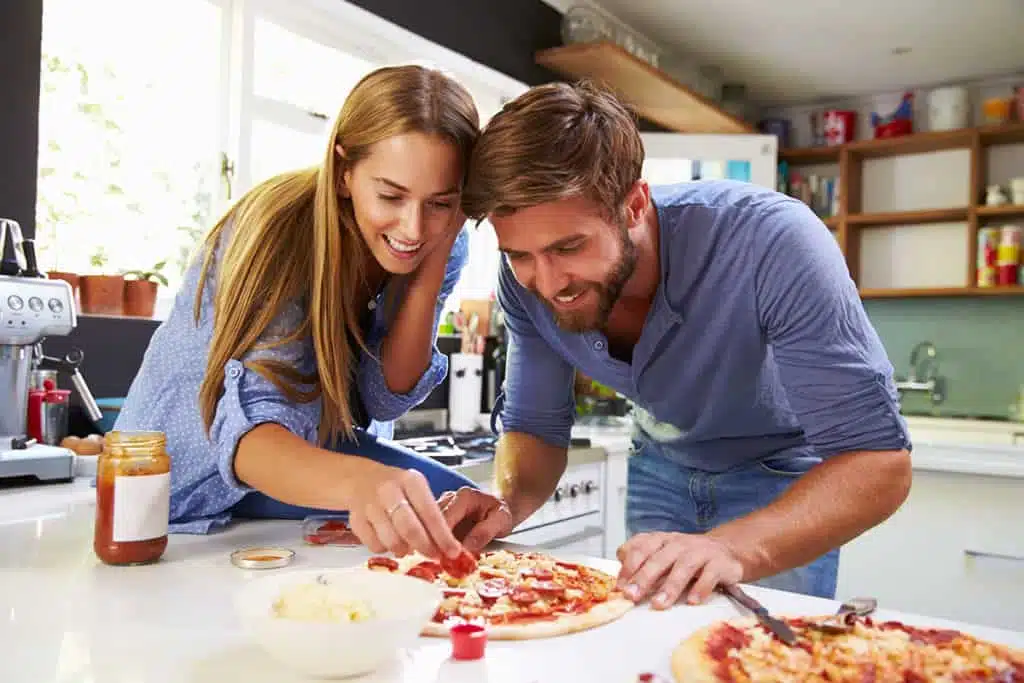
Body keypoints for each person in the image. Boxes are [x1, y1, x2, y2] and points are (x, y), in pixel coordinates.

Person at [439, 80, 913, 606]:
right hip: (659, 469)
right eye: (519, 254)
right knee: (652, 646)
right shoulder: (522, 284)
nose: (548, 283)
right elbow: (535, 428)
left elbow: (878, 464)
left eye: (569, 246)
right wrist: (505, 502)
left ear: (635, 203)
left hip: (780, 480)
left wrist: (732, 549)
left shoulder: (772, 242)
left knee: (759, 657)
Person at [115, 65, 480, 561]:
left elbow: (386, 395)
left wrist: (436, 255)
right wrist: (360, 482)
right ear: (345, 171)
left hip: (307, 462)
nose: (413, 227)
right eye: (391, 196)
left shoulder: (437, 241)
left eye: (440, 202)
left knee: (464, 517)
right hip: (179, 486)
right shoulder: (278, 233)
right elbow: (249, 439)